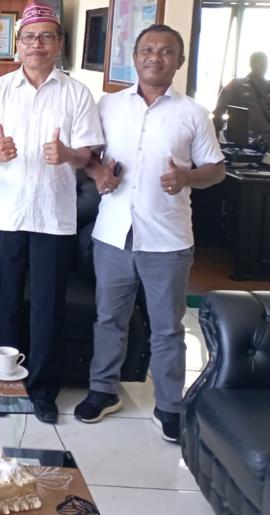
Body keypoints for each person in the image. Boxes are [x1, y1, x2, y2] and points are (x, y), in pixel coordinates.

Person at [74, 24, 224, 443]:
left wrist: (187, 177)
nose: (155, 57)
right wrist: (98, 172)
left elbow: (216, 170)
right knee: (109, 318)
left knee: (168, 327)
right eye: (147, 50)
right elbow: (87, 157)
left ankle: (170, 405)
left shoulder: (193, 113)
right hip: (113, 233)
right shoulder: (108, 105)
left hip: (168, 239)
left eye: (166, 51)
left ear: (179, 60)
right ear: (135, 57)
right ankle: (103, 390)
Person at [0, 2, 103, 424]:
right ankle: (4, 386)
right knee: (4, 303)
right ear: (18, 44)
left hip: (53, 216)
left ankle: (43, 391)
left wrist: (68, 154)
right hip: (6, 214)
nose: (37, 44)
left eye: (47, 37)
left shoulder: (77, 93)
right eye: (29, 37)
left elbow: (87, 154)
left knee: (48, 306)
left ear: (59, 43)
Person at [213, 51, 270, 142]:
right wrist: (215, 135)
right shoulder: (236, 85)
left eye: (265, 64)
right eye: (259, 63)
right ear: (251, 64)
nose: (263, 66)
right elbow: (219, 110)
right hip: (239, 141)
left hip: (267, 140)